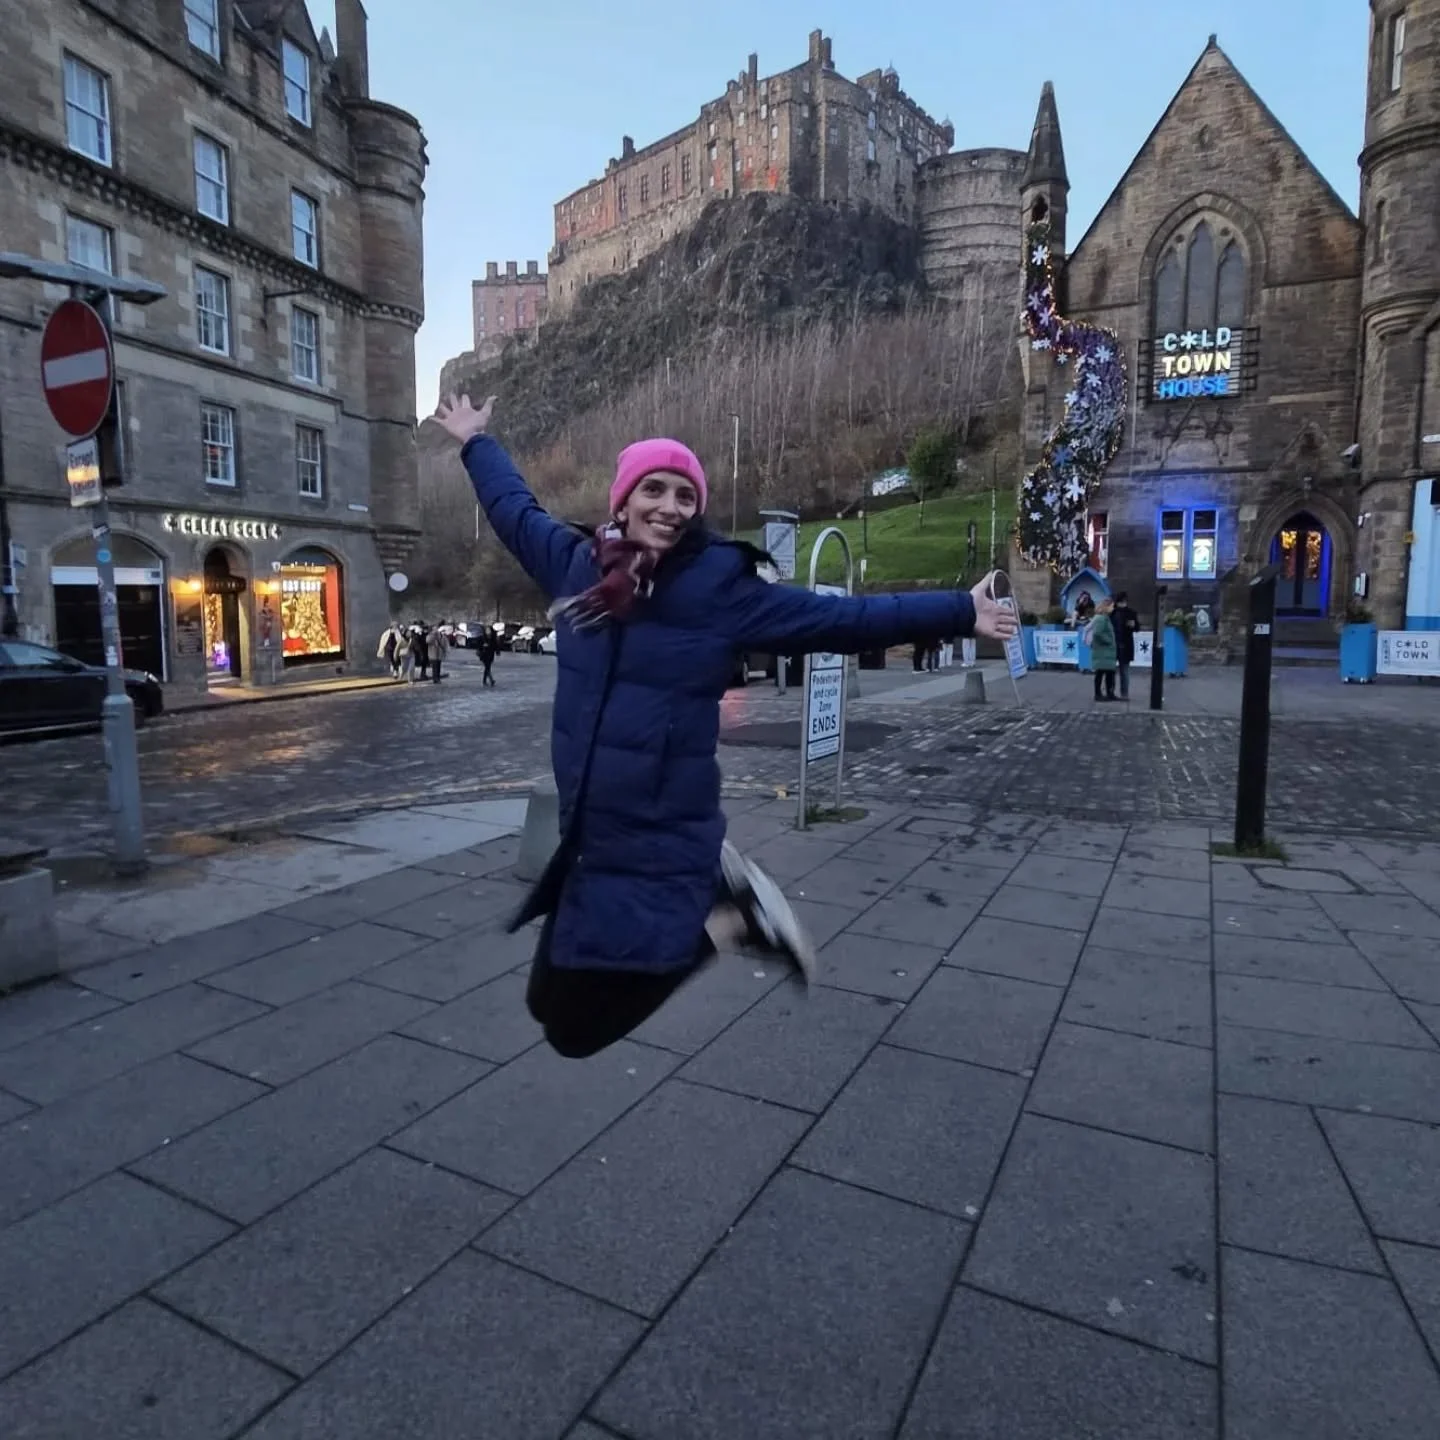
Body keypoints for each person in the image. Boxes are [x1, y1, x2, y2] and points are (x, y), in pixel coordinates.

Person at [430, 392, 1018, 1060]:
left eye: (686, 495)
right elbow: (515, 511)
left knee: (573, 1032)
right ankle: (728, 911)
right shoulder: (574, 566)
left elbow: (840, 621)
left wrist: (955, 610)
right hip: (590, 834)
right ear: (621, 501)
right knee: (545, 1001)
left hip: (660, 835)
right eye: (654, 489)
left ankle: (734, 921)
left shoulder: (719, 588)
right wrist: (476, 441)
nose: (671, 507)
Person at [1086, 597, 1119, 701]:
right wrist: (1109, 641)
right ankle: (1098, 694)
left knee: (1109, 673)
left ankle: (1110, 693)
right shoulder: (1101, 619)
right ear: (1106, 607)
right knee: (1100, 673)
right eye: (1112, 606)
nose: (1113, 608)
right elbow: (1097, 633)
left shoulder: (1105, 618)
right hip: (1103, 651)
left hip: (1106, 652)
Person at [1112, 589, 1140, 701]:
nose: (1123, 603)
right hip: (1118, 643)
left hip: (1122, 643)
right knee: (1120, 671)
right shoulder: (1113, 612)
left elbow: (1137, 628)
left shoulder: (1130, 613)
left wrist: (1133, 626)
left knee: (1122, 671)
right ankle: (1120, 693)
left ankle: (1120, 693)